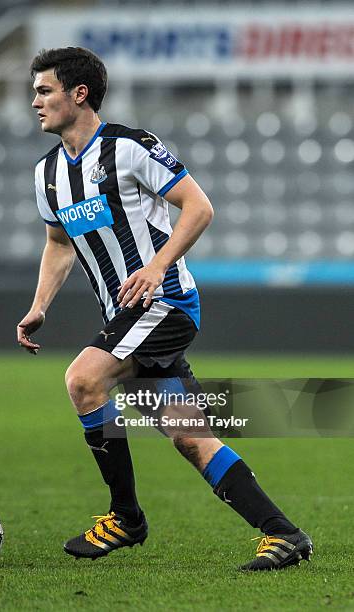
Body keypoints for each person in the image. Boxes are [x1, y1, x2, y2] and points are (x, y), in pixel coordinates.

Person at [17, 46, 313, 571]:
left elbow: (200, 207)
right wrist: (40, 304)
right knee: (191, 437)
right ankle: (284, 535)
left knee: (83, 380)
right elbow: (59, 244)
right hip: (124, 316)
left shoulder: (130, 148)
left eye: (44, 90)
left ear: (78, 94)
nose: (34, 101)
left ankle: (126, 516)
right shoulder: (47, 175)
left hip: (165, 303)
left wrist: (156, 267)